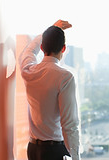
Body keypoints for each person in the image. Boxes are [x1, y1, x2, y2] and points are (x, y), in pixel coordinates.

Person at [19, 19, 80, 160]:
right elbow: (69, 125)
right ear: (63, 48)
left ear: (42, 47)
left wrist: (53, 28)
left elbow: (28, 51)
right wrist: (76, 157)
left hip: (33, 149)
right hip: (55, 151)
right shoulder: (65, 77)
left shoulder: (28, 70)